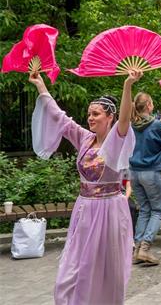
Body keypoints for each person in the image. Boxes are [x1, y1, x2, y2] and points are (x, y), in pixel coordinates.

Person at [29, 70, 140, 305]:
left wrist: (128, 85)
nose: (90, 118)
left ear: (109, 117)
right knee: (71, 272)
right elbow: (60, 117)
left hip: (109, 212)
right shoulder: (84, 138)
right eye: (89, 113)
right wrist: (41, 87)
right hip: (85, 211)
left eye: (96, 114)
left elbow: (125, 120)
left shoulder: (117, 141)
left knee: (104, 270)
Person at [129, 92, 161, 265]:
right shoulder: (156, 125)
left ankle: (137, 249)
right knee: (158, 210)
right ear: (149, 105)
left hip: (134, 172)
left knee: (144, 209)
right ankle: (145, 248)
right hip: (151, 172)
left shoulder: (131, 124)